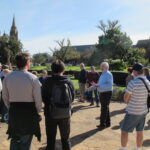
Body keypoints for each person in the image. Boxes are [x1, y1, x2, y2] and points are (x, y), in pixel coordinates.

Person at [2, 52, 42, 150]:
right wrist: (37, 111)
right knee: (25, 141)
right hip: (29, 112)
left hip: (14, 111)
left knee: (15, 139)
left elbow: (5, 97)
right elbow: (38, 100)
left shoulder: (8, 77)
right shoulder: (33, 78)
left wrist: (10, 107)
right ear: (28, 63)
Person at [42, 60, 75, 150]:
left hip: (50, 113)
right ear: (63, 69)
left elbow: (44, 98)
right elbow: (72, 98)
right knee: (66, 139)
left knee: (51, 139)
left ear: (52, 69)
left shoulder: (47, 81)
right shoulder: (68, 81)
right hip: (65, 113)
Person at [120, 63, 150, 150]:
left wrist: (130, 100)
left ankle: (123, 148)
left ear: (135, 72)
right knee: (140, 131)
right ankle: (138, 149)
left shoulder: (132, 82)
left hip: (133, 111)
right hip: (143, 111)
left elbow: (126, 99)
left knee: (124, 131)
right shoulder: (147, 82)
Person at [92, 62, 113, 130]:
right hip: (103, 92)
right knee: (106, 108)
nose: (100, 67)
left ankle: (102, 124)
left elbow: (109, 85)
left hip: (106, 93)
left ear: (105, 67)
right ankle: (107, 123)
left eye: (101, 66)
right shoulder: (103, 74)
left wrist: (98, 85)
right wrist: (96, 84)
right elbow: (102, 83)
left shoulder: (108, 74)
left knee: (104, 109)